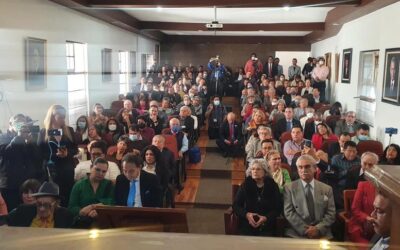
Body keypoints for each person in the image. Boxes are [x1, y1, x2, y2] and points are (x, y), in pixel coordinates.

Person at [283, 155, 336, 239]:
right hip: (297, 233)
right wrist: (305, 230)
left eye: (307, 166)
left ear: (315, 168)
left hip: (321, 232)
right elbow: (289, 212)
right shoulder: (289, 188)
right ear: (297, 170)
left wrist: (318, 229)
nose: (303, 170)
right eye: (300, 167)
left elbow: (331, 213)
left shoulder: (327, 189)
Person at [0, 114, 43, 211]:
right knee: (10, 212)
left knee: (27, 212)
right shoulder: (3, 137)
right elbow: (6, 153)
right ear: (10, 124)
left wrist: (31, 143)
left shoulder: (27, 138)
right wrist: (19, 137)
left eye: (24, 123)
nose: (22, 125)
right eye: (19, 122)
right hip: (10, 185)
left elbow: (37, 158)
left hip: (26, 185)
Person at [38, 105, 78, 207]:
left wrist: (67, 153)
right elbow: (40, 152)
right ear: (52, 116)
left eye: (64, 115)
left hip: (67, 167)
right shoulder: (43, 132)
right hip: (51, 169)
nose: (63, 118)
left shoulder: (69, 130)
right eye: (60, 115)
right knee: (53, 196)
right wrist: (53, 155)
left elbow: (75, 148)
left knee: (67, 194)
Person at [233, 159, 282, 236]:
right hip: (248, 224)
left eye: (258, 169)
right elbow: (236, 206)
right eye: (253, 169)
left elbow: (278, 208)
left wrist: (266, 218)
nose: (255, 171)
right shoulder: (245, 185)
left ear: (265, 171)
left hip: (267, 225)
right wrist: (247, 215)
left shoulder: (272, 185)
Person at [7, 182, 73, 228]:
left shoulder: (65, 216)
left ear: (56, 204)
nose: (41, 209)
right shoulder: (23, 210)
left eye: (47, 205)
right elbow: (4, 220)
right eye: (38, 204)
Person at [347, 153, 379, 243]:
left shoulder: (385, 186)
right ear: (361, 163)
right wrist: (367, 218)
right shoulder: (362, 185)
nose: (367, 167)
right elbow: (355, 209)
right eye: (365, 163)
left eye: (371, 165)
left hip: (380, 227)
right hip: (361, 225)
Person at [330, 141, 361, 209]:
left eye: (354, 151)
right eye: (349, 151)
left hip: (355, 185)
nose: (352, 154)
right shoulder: (336, 159)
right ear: (343, 150)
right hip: (340, 185)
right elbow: (334, 175)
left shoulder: (359, 160)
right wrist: (348, 171)